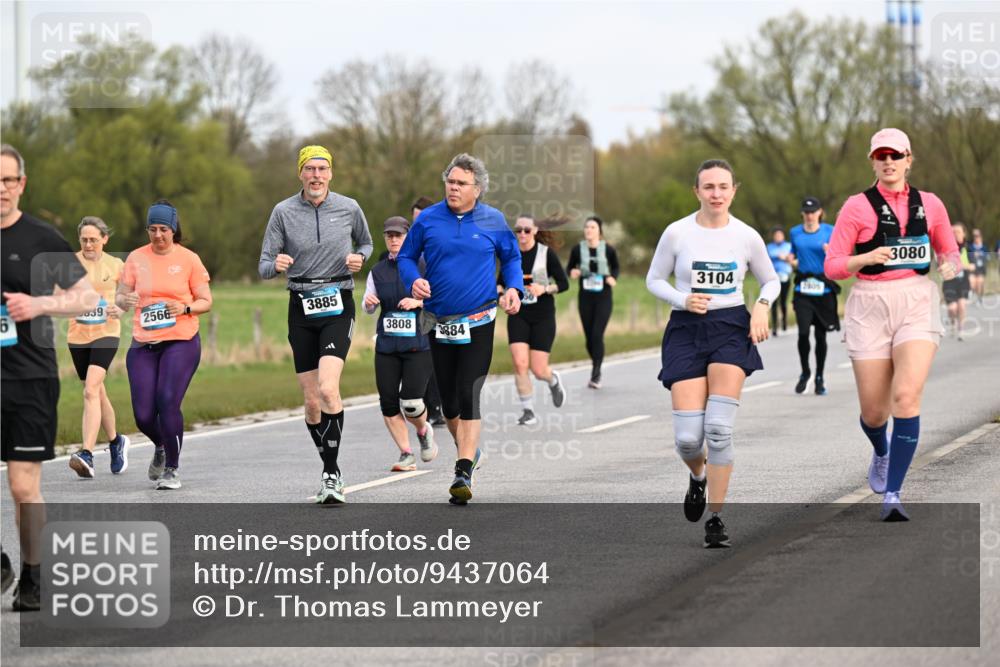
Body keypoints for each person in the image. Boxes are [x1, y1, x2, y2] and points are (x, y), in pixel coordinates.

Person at [825, 128, 960, 522]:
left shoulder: (930, 204)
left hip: (916, 299)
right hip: (869, 304)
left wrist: (949, 262)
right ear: (872, 161)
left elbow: (947, 247)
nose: (888, 162)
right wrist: (863, 258)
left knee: (906, 397)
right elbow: (832, 265)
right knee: (874, 413)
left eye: (895, 156)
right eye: (881, 156)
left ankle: (894, 493)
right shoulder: (856, 207)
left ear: (908, 159)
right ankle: (882, 451)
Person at [646, 158, 778, 549]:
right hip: (686, 329)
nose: (716, 194)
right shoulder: (677, 233)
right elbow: (653, 279)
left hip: (730, 328)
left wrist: (762, 305)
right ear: (697, 192)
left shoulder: (746, 236)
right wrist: (683, 299)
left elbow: (770, 279)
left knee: (718, 430)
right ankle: (697, 476)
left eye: (723, 186)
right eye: (708, 187)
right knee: (689, 440)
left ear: (734, 190)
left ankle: (716, 518)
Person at [1, 144, 99, 610]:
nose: (1, 189)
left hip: (29, 378)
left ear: (22, 184)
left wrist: (39, 304)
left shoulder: (40, 238)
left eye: (8, 181)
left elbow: (84, 299)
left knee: (23, 486)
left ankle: (33, 575)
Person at [398, 153, 522, 504]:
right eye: (449, 182)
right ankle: (467, 450)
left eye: (460, 183)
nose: (452, 188)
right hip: (439, 321)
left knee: (469, 392)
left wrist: (513, 288)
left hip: (479, 319)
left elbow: (512, 258)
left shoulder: (493, 220)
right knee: (449, 400)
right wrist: (414, 281)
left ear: (477, 188)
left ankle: (463, 468)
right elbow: (406, 257)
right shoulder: (429, 220)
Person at [258, 146, 373, 504]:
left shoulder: (349, 207)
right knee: (311, 402)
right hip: (301, 305)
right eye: (310, 169)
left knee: (327, 389)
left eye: (323, 169)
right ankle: (329, 466)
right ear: (300, 174)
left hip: (339, 302)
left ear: (331, 174)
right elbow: (263, 266)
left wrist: (360, 258)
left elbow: (368, 243)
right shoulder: (283, 212)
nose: (317, 176)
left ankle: (331, 473)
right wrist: (275, 264)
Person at [116, 200, 212, 491]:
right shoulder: (135, 258)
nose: (158, 235)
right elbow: (120, 297)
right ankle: (160, 444)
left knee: (167, 401)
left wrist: (183, 308)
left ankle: (172, 468)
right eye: (152, 229)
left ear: (174, 229)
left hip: (181, 341)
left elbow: (206, 301)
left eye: (164, 229)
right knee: (143, 414)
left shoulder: (189, 259)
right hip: (143, 344)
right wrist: (125, 300)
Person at [362, 216, 438, 471]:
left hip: (419, 344)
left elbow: (443, 299)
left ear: (409, 237)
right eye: (389, 235)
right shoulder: (377, 270)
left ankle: (423, 430)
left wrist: (418, 303)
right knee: (388, 403)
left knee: (412, 403)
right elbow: (367, 304)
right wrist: (369, 304)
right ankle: (406, 453)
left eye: (398, 235)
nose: (393, 239)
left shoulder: (424, 264)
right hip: (387, 346)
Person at [66, 217, 130, 478]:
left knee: (91, 389)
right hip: (78, 335)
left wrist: (122, 306)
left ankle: (87, 453)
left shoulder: (116, 265)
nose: (88, 244)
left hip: (107, 333)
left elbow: (128, 294)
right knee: (97, 393)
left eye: (93, 239)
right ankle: (116, 441)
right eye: (84, 240)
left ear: (105, 238)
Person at [500, 215, 569, 426]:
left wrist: (545, 289)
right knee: (520, 364)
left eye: (526, 230)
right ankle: (527, 410)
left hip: (543, 316)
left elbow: (564, 284)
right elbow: (499, 285)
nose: (522, 234)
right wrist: (501, 297)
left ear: (535, 231)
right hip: (518, 315)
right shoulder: (510, 255)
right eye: (518, 230)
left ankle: (552, 379)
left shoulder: (545, 254)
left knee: (539, 370)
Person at [789, 197, 839, 395]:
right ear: (803, 213)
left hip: (823, 291)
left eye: (813, 211)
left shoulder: (830, 231)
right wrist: (791, 261)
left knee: (820, 336)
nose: (810, 215)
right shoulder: (795, 232)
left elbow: (839, 257)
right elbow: (793, 256)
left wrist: (831, 253)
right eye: (806, 212)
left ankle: (819, 376)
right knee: (802, 333)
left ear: (820, 212)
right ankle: (805, 372)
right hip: (803, 290)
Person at [566, 216, 619, 388]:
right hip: (585, 297)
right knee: (589, 338)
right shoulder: (577, 249)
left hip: (603, 297)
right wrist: (572, 272)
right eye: (586, 227)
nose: (589, 230)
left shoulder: (608, 250)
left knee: (597, 334)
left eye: (593, 227)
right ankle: (596, 363)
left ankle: (596, 374)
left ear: (599, 231)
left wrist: (613, 277)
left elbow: (616, 267)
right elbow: (569, 268)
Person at [411, 196, 445, 427]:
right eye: (414, 219)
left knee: (433, 358)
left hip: (435, 311)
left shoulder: (440, 243)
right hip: (408, 312)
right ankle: (418, 405)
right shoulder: (409, 244)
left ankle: (436, 408)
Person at [941, 222, 975, 340]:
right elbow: (941, 265)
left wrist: (959, 265)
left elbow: (972, 266)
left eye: (958, 232)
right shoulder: (945, 248)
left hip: (963, 281)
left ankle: (961, 330)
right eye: (953, 232)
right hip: (950, 282)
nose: (955, 234)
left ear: (964, 234)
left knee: (961, 306)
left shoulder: (967, 248)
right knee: (952, 308)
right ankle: (952, 322)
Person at [766, 226, 792, 336]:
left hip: (785, 276)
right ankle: (775, 327)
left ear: (783, 236)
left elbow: (791, 257)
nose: (778, 237)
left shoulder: (788, 246)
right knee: (774, 302)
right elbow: (768, 257)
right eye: (776, 235)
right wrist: (779, 256)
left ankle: (784, 322)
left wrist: (785, 257)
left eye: (780, 235)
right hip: (773, 278)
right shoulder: (769, 247)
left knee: (783, 301)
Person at [968, 228, 987, 305]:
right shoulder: (970, 247)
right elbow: (967, 256)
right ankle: (972, 293)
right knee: (972, 282)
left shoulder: (984, 247)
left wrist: (981, 255)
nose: (976, 237)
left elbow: (988, 256)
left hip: (981, 269)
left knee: (979, 283)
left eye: (977, 236)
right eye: (974, 236)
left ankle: (979, 298)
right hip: (973, 268)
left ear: (980, 236)